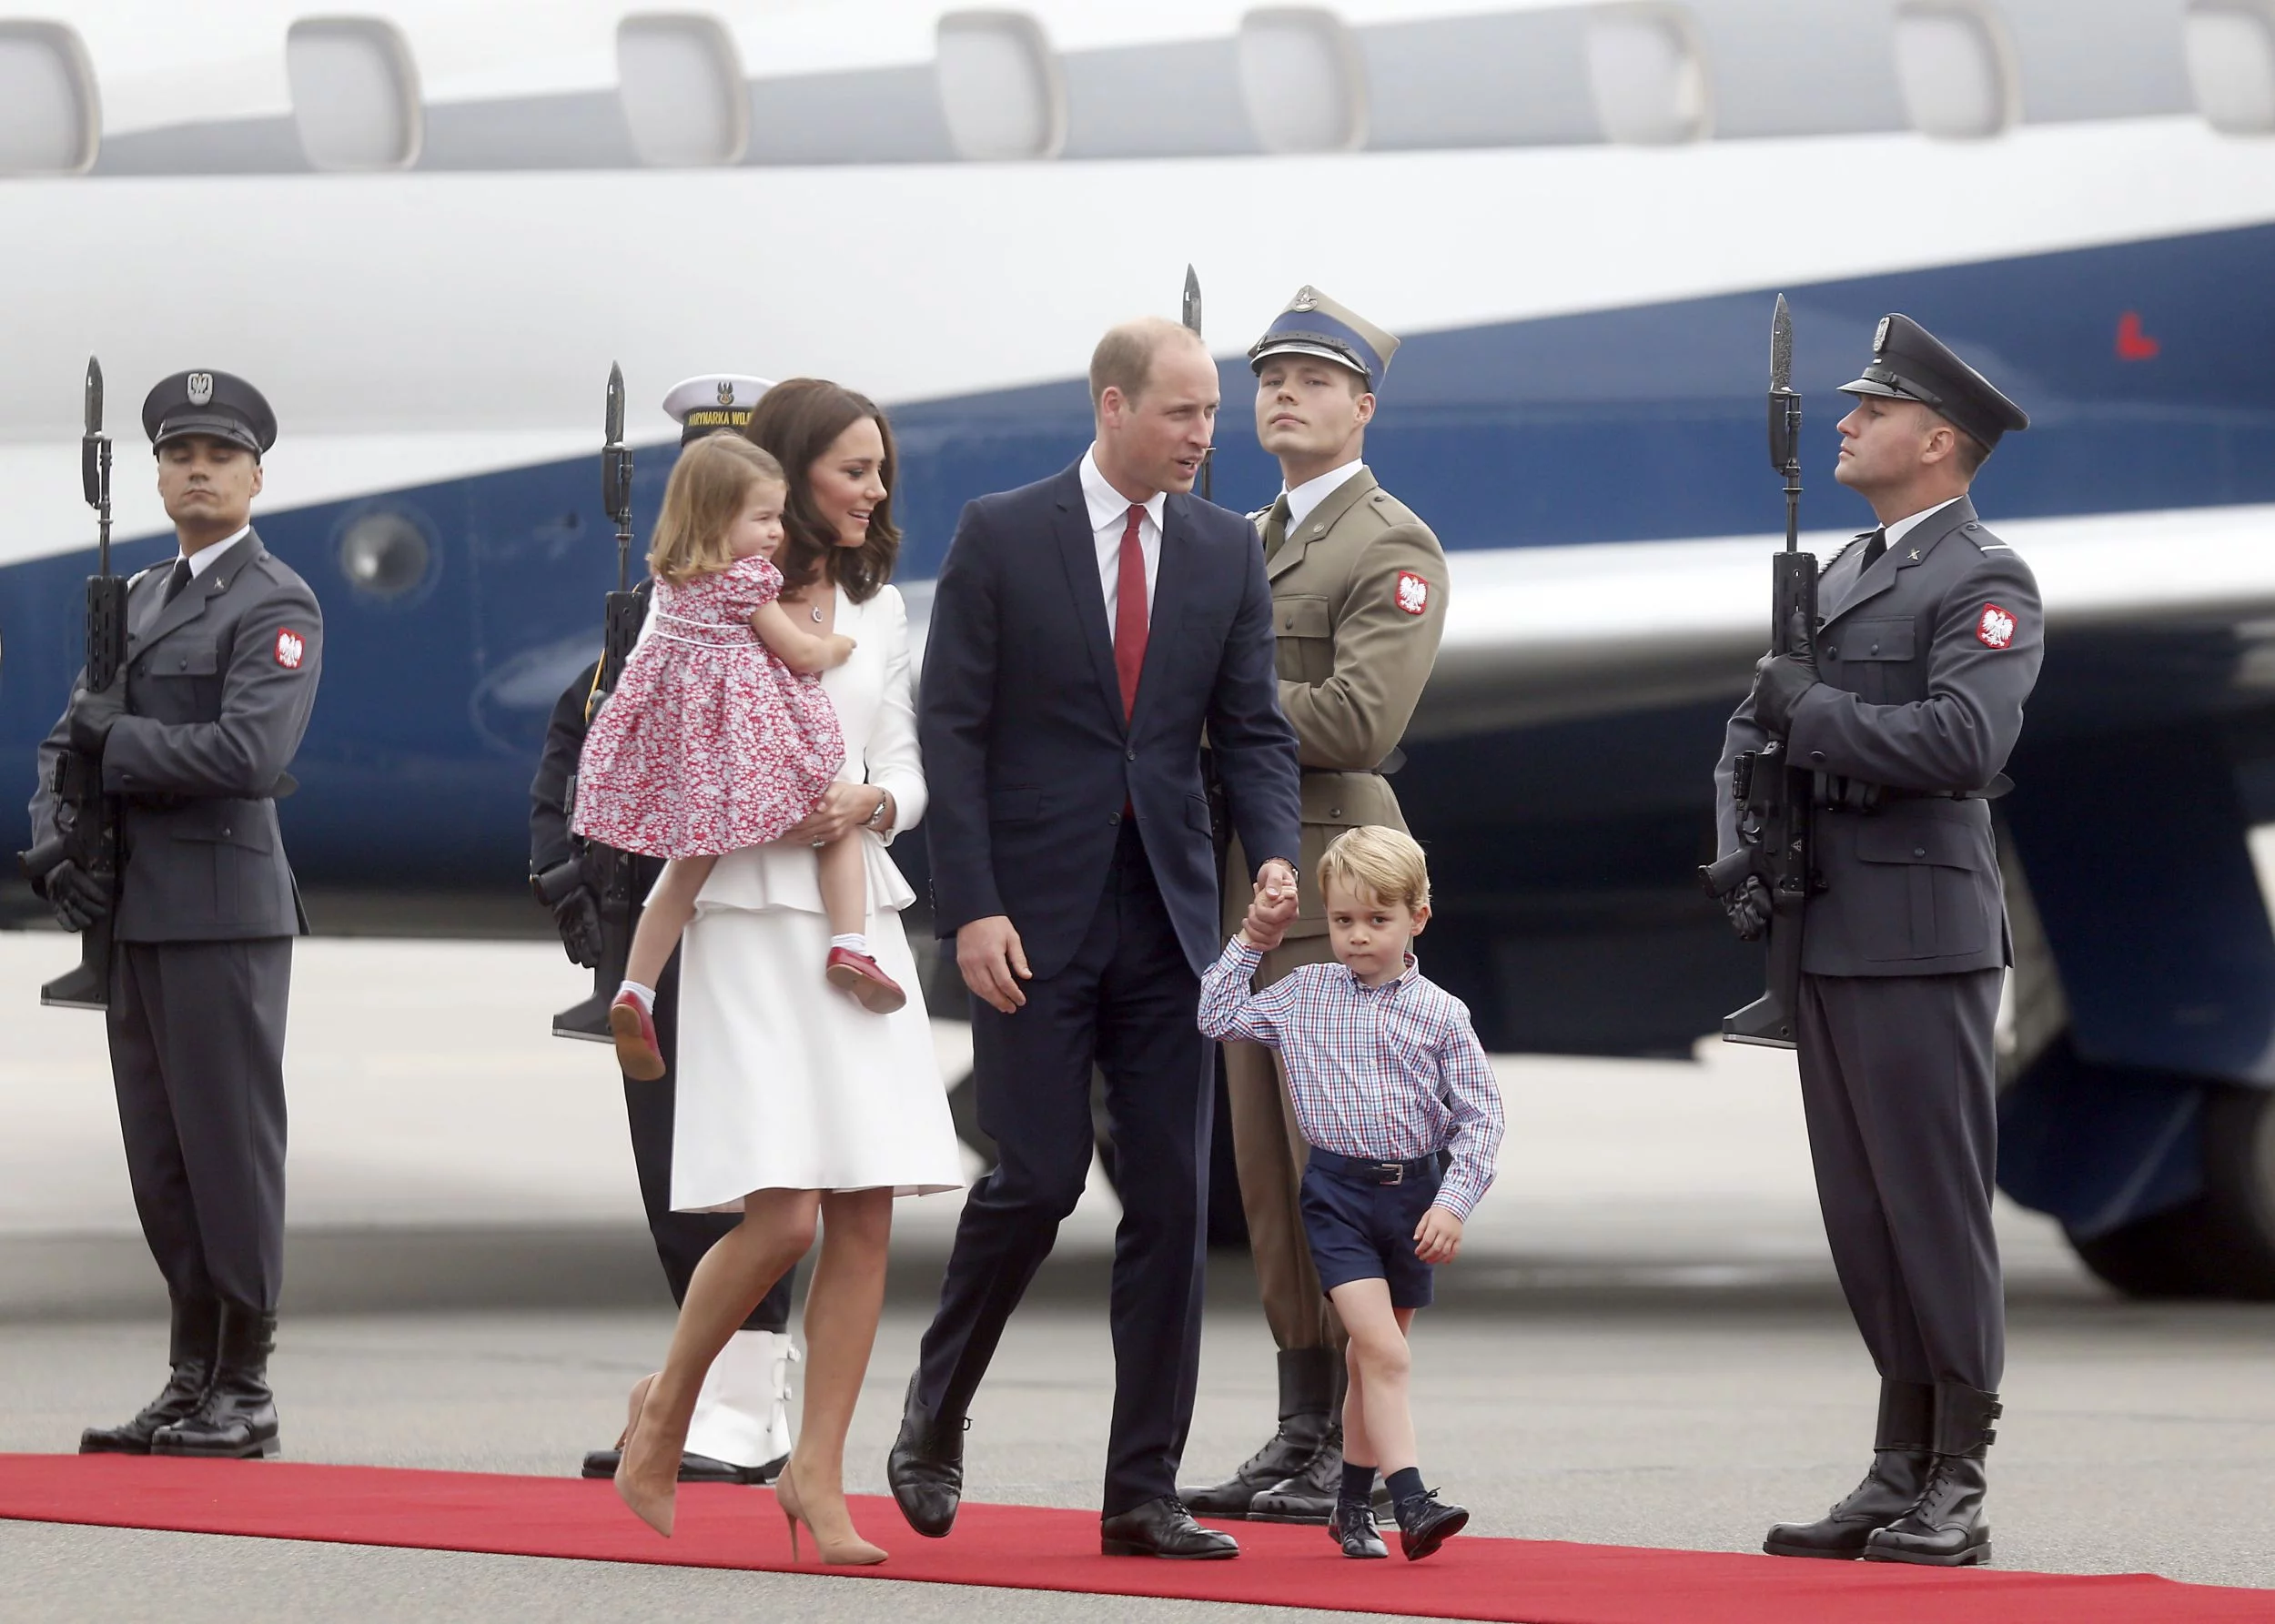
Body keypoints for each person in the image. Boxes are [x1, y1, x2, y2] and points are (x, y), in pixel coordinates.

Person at [887, 318, 1303, 1561]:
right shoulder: (1004, 535)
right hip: (1031, 913)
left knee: (1175, 1200)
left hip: (1169, 917)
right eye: (1181, 414)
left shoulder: (1226, 550)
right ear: (1112, 406)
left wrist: (1273, 850)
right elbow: (950, 732)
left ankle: (1142, 1490)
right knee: (1036, 1179)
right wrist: (971, 907)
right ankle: (934, 1411)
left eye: (1212, 416)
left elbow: (1256, 729)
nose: (1203, 436)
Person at [612, 378, 962, 1566]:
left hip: (853, 908)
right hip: (752, 914)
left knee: (866, 1209)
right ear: (793, 470)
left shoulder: (882, 601)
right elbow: (658, 747)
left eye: (882, 473)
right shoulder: (699, 595)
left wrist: (876, 800)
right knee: (786, 1216)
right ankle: (668, 1403)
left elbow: (905, 755)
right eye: (853, 470)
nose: (873, 492)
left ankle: (817, 1476)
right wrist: (764, 795)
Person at [1713, 313, 2038, 1569]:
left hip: (1918, 933)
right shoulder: (1845, 569)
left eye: (1874, 408)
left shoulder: (1984, 580)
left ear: (1939, 440)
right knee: (1863, 1214)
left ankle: (1958, 1472)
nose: (1846, 423)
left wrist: (1819, 712)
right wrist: (1740, 843)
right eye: (1848, 407)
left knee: (1933, 1210)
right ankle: (1897, 1462)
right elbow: (1750, 727)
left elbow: (1966, 745)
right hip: (1830, 925)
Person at [1185, 287, 1449, 1528]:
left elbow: (1358, 719)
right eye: (1269, 378)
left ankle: (1351, 1439)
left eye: (1313, 379)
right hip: (1254, 891)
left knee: (1337, 1175)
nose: (1283, 394)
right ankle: (1301, 1428)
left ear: (1363, 404)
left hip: (1335, 889)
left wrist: (1217, 702)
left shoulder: (1388, 544)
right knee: (1266, 1180)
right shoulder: (1239, 535)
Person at [32, 370, 322, 1460]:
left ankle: (246, 1386)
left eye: (219, 455)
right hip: (138, 911)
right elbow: (67, 740)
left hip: (220, 909)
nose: (197, 470)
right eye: (179, 455)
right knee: (163, 1158)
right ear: (155, 474)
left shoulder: (276, 602)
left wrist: (120, 747)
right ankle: (188, 1375)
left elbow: (252, 757)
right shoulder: (142, 595)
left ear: (255, 476)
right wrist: (57, 839)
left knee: (228, 1151)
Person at [529, 373, 800, 1488]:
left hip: (741, 928)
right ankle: (699, 1405)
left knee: (750, 1178)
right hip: (652, 941)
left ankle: (749, 1415)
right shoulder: (642, 625)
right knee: (670, 1175)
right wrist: (559, 864)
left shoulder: (782, 615)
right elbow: (571, 745)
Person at [1198, 825, 1503, 1561]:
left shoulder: (1441, 1013)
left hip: (1414, 1197)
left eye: (1377, 920)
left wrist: (1453, 1202)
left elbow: (1482, 1117)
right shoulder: (1302, 992)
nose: (1358, 937)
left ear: (1416, 920)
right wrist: (1251, 937)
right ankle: (1411, 1498)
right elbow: (1215, 1016)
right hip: (1336, 1194)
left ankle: (1347, 1507)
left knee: (1375, 1360)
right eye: (1342, 921)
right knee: (1382, 1351)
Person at [575, 432, 905, 1081]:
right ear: (715, 517)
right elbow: (799, 652)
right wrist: (838, 647)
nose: (776, 533)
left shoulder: (670, 582)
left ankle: (635, 991)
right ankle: (850, 944)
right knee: (832, 811)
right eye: (762, 517)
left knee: (680, 876)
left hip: (694, 763)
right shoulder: (747, 581)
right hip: (747, 749)